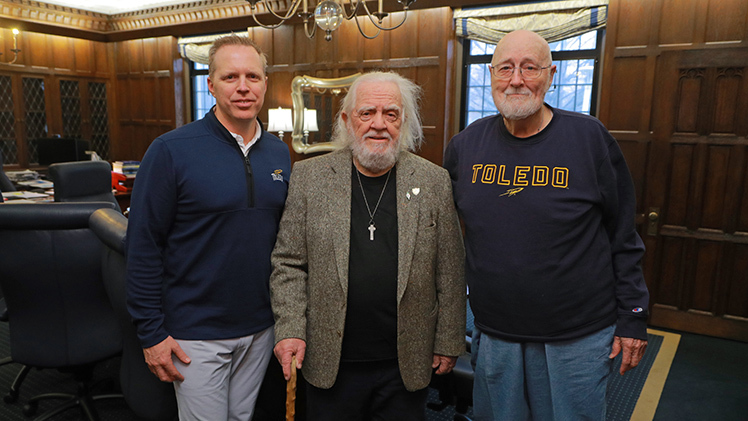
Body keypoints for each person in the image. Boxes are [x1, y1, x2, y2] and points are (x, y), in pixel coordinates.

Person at [443, 30, 649, 420]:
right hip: (495, 331)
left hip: (578, 336)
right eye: (505, 68)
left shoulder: (589, 139)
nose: (516, 79)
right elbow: (442, 235)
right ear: (491, 74)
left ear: (550, 74)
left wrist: (634, 317)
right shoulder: (465, 145)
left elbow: (622, 234)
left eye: (529, 68)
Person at [270, 71, 466, 420]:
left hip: (406, 361)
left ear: (403, 121)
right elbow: (288, 263)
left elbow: (450, 268)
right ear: (347, 120)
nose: (379, 124)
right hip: (329, 358)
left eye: (391, 114)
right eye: (367, 113)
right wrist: (289, 330)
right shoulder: (310, 177)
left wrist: (449, 340)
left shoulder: (433, 180)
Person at [126, 34, 291, 420]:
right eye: (231, 77)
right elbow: (143, 245)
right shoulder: (171, 150)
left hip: (260, 326)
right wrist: (150, 333)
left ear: (266, 83)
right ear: (211, 84)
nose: (243, 87)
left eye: (253, 76)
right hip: (194, 331)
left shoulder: (278, 152)